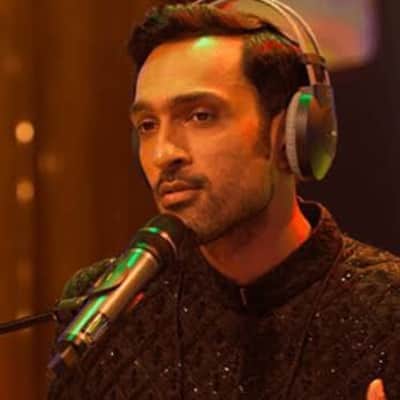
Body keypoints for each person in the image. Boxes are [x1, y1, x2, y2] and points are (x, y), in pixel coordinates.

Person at [48, 1, 400, 399]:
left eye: (200, 116)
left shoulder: (388, 309)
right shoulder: (103, 308)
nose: (163, 153)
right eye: (147, 125)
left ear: (291, 136)